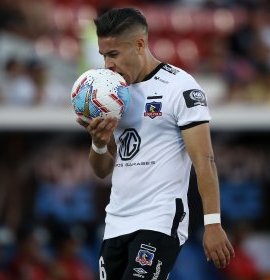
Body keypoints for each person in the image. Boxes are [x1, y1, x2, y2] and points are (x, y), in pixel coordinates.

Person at [76, 7, 235, 280]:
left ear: (140, 44)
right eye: (104, 55)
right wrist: (99, 143)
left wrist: (212, 223)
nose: (107, 65)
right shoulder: (111, 95)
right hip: (116, 221)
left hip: (160, 220)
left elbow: (204, 160)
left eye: (113, 54)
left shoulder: (180, 87)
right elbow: (102, 170)